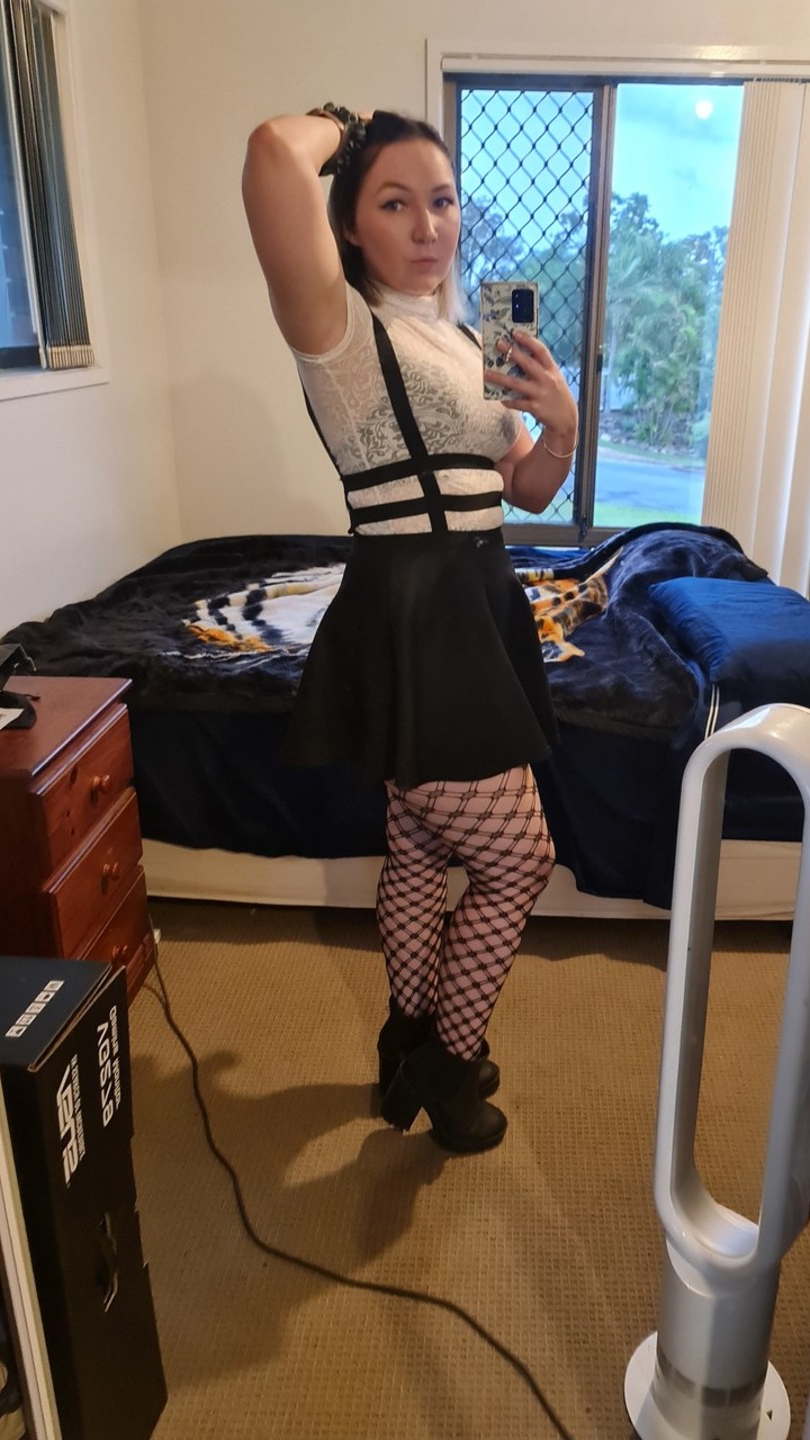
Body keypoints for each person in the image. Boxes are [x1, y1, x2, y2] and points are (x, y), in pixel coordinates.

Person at [241, 104, 579, 1154]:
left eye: (442, 200)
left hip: (476, 605)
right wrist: (348, 126)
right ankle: (448, 1063)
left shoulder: (467, 339)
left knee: (420, 849)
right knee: (521, 861)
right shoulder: (342, 333)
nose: (429, 225)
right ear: (349, 224)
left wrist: (563, 425)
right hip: (417, 620)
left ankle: (402, 1042)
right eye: (394, 203)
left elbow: (523, 488)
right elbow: (272, 155)